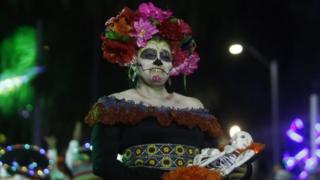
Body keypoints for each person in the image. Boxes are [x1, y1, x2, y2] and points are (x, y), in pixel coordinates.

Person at [85, 2, 250, 180]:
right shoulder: (113, 105)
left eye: (165, 56)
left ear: (172, 65)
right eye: (149, 55)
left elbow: (220, 155)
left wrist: (242, 171)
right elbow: (103, 164)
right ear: (134, 61)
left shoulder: (194, 107)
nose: (158, 62)